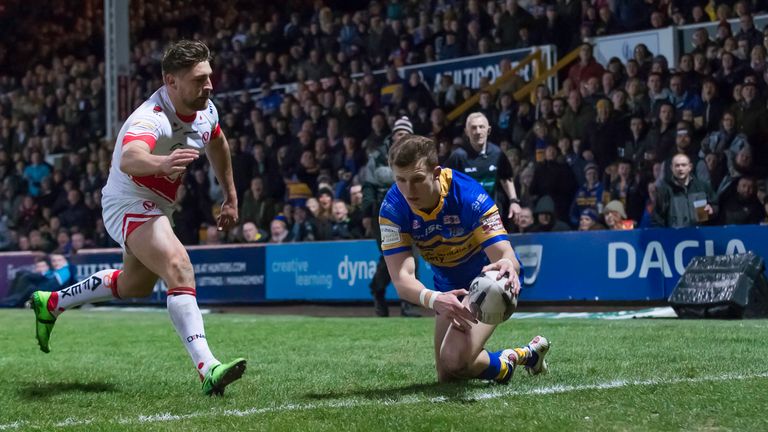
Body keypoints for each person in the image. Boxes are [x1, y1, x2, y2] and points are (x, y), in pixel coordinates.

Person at [30, 41, 246, 396]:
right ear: (171, 81)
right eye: (198, 80)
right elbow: (131, 156)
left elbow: (217, 143)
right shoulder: (151, 117)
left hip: (158, 204)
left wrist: (231, 196)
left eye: (209, 77)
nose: (208, 86)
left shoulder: (207, 110)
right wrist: (161, 163)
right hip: (127, 200)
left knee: (135, 286)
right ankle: (208, 368)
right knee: (179, 266)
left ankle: (51, 303)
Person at [380, 134, 550, 384]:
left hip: (488, 283)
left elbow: (505, 255)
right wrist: (436, 299)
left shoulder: (469, 196)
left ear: (436, 173)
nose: (408, 189)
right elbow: (402, 280)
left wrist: (507, 263)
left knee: (454, 358)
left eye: (417, 179)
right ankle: (521, 357)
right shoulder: (393, 208)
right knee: (449, 376)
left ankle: (510, 358)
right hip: (448, 288)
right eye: (400, 180)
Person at [363, 116, 420, 317]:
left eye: (405, 133)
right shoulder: (378, 156)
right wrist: (367, 212)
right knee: (390, 256)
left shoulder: (417, 155)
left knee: (411, 254)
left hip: (410, 209)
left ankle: (408, 304)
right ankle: (378, 290)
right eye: (398, 133)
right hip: (382, 210)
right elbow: (368, 185)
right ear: (393, 135)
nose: (401, 136)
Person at [446, 112, 523, 228]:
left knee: (496, 245)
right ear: (466, 131)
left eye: (481, 127)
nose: (478, 131)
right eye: (473, 128)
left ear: (488, 130)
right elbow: (444, 184)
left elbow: (506, 178)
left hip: (491, 214)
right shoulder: (458, 156)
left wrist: (514, 201)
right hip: (464, 216)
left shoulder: (497, 153)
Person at [653, 153, 716, 228]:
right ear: (671, 168)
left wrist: (712, 210)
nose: (680, 169)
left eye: (683, 165)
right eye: (677, 166)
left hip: (700, 235)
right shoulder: (664, 190)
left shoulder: (702, 187)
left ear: (690, 167)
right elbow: (657, 218)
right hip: (675, 237)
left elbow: (715, 205)